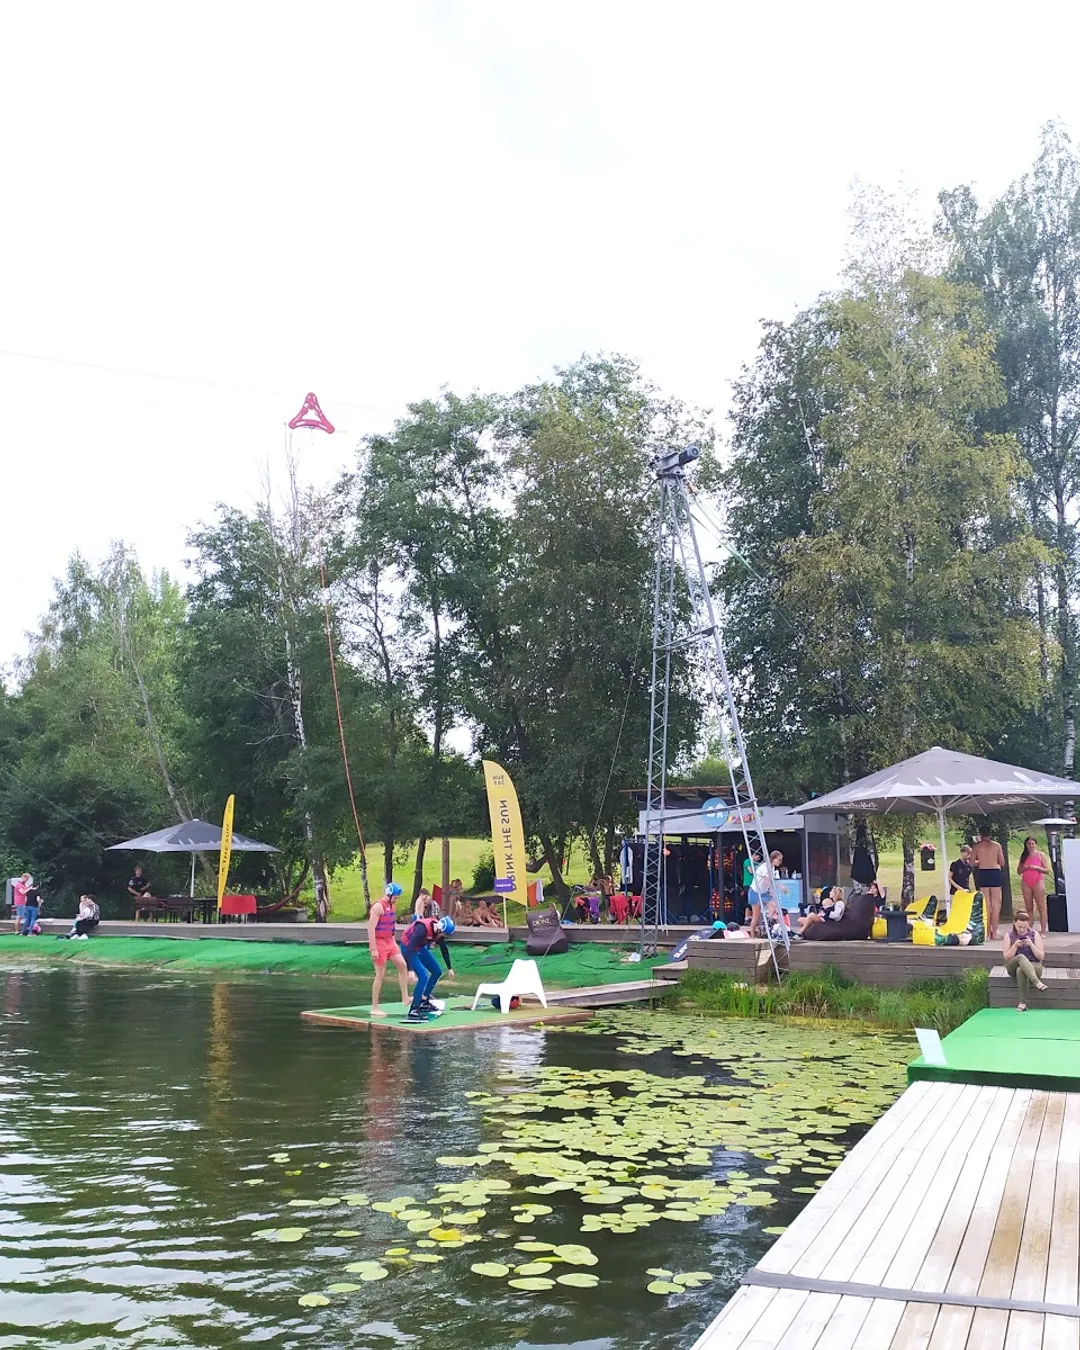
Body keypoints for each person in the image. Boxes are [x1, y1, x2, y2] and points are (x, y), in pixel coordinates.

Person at [401, 913, 456, 1022]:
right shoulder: (422, 929)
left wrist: (449, 968)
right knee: (423, 977)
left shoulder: (438, 932)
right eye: (445, 935)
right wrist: (410, 970)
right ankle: (414, 1010)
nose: (445, 937)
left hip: (419, 947)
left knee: (437, 971)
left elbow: (444, 949)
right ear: (440, 931)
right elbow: (410, 948)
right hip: (408, 947)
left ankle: (424, 1001)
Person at [367, 882, 409, 1017]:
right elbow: (371, 928)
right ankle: (374, 1007)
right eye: (395, 897)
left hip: (390, 941)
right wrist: (374, 949)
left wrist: (393, 942)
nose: (396, 900)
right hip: (379, 943)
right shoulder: (378, 907)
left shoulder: (392, 906)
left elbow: (390, 926)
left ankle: (405, 997)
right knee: (380, 974)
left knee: (402, 965)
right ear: (389, 895)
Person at [1003, 910, 1047, 1011]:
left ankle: (1023, 1003)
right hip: (1013, 965)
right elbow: (1006, 957)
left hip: (1034, 965)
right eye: (1019, 927)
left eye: (1025, 927)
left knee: (1021, 970)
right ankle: (1036, 982)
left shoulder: (1034, 934)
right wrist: (1015, 946)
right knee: (1021, 957)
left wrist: (1031, 945)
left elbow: (1041, 957)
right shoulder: (1009, 935)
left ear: (1028, 924)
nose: (1022, 929)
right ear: (1014, 923)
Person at [971, 826, 1005, 941]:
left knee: (986, 903)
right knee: (995, 904)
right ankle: (994, 932)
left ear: (980, 835)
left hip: (983, 872)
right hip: (995, 872)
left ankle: (987, 932)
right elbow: (1002, 862)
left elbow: (972, 862)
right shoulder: (996, 845)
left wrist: (981, 861)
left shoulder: (977, 846)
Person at [1017, 836, 1052, 936]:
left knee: (1041, 907)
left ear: (1035, 845)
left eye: (1033, 844)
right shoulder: (1024, 856)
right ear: (1026, 845)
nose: (1031, 846)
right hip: (1026, 882)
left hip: (1038, 881)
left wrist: (1037, 868)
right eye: (1029, 844)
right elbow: (1019, 871)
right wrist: (1025, 868)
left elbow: (1047, 871)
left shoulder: (1040, 855)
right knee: (1029, 907)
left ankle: (1043, 931)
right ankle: (1029, 930)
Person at [749, 850, 785, 938]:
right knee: (756, 916)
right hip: (755, 892)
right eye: (779, 860)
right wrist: (781, 887)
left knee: (773, 907)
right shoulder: (765, 867)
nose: (780, 862)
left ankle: (766, 924)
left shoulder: (772, 867)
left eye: (781, 860)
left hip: (764, 892)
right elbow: (769, 880)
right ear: (773, 859)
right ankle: (752, 935)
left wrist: (771, 892)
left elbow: (769, 883)